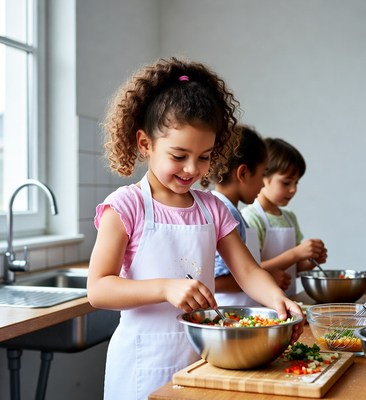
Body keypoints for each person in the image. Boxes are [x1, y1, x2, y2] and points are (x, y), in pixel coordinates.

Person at [87, 57, 304, 400]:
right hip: (140, 365)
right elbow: (98, 289)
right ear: (145, 144)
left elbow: (247, 271)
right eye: (178, 155)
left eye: (204, 157)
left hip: (201, 361)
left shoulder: (213, 208)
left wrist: (280, 302)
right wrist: (165, 288)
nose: (192, 169)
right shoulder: (126, 206)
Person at [202, 125, 291, 306]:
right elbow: (216, 280)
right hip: (229, 315)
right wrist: (267, 277)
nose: (262, 183)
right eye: (262, 173)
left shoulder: (231, 211)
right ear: (243, 173)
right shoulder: (226, 213)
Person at [241, 138, 328, 297]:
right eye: (286, 183)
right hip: (261, 304)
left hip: (289, 298)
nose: (293, 189)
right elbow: (251, 269)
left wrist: (311, 259)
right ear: (263, 177)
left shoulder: (289, 218)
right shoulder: (250, 217)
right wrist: (296, 253)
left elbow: (295, 267)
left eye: (296, 183)